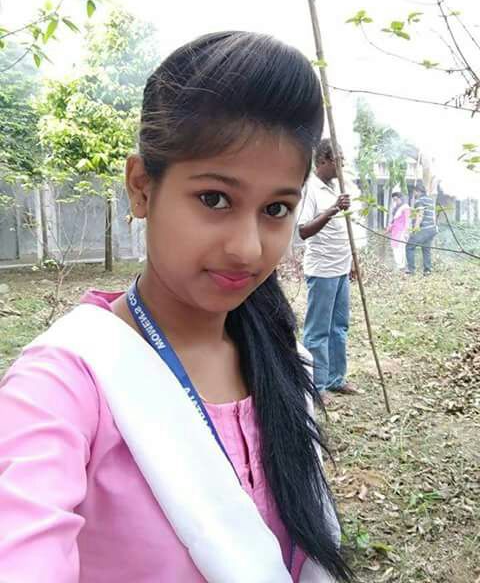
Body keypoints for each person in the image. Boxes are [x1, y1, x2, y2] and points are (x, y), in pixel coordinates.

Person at [0, 33, 351, 583]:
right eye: (215, 199)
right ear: (141, 187)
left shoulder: (281, 355)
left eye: (276, 209)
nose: (248, 249)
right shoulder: (62, 386)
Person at [298, 139, 357, 406]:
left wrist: (353, 261)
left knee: (339, 327)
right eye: (338, 160)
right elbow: (303, 230)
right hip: (322, 270)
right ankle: (316, 385)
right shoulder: (310, 189)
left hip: (341, 268)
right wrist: (334, 208)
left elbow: (345, 230)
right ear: (323, 160)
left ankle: (335, 378)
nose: (342, 165)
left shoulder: (337, 187)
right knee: (318, 331)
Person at [406, 181, 437, 276]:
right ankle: (427, 270)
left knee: (409, 246)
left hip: (424, 229)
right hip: (432, 228)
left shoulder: (419, 201)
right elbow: (433, 215)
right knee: (426, 248)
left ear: (418, 191)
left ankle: (411, 270)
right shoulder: (430, 200)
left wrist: (415, 229)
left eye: (414, 192)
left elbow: (420, 215)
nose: (414, 194)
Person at [385, 191, 410, 270]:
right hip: (395, 232)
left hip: (402, 232)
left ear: (401, 198)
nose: (395, 201)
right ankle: (399, 266)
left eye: (396, 199)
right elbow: (393, 221)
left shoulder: (405, 207)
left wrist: (406, 232)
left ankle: (402, 267)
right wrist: (387, 230)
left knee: (401, 249)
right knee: (395, 249)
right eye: (394, 200)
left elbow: (407, 220)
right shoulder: (396, 209)